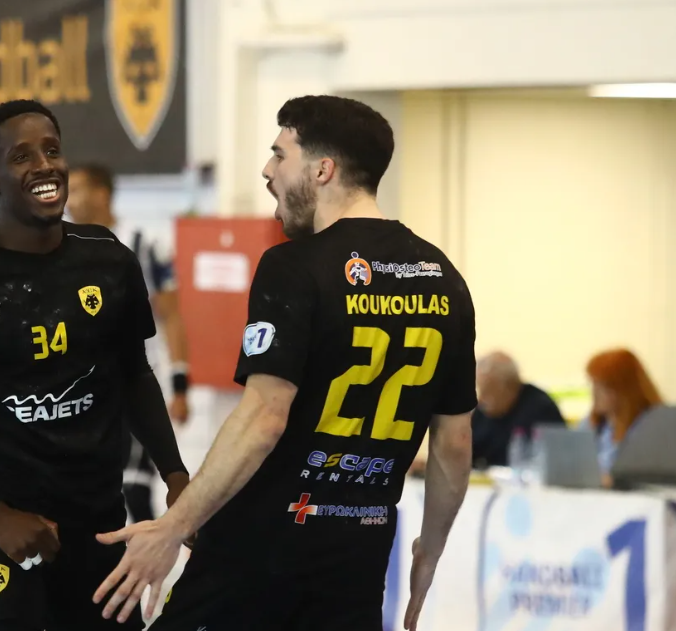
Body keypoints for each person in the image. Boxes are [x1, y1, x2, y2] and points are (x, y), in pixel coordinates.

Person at [92, 95, 477, 631]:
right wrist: (429, 550)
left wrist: (173, 526)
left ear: (322, 170)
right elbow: (453, 444)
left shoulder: (294, 266)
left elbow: (263, 418)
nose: (267, 171)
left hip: (259, 553)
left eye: (280, 154)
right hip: (357, 560)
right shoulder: (444, 277)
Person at [0, 99, 189, 631]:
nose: (44, 166)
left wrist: (176, 475)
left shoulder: (109, 260)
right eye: (21, 156)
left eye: (52, 150)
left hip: (97, 519)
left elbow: (134, 375)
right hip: (1, 530)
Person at [66, 163, 192, 524]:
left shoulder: (142, 244)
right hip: (83, 393)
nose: (68, 201)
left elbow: (172, 315)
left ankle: (158, 559)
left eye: (76, 190)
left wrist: (180, 385)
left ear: (102, 194)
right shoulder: (61, 248)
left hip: (133, 385)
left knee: (135, 492)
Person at [580, 348, 662, 487]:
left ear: (624, 388)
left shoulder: (651, 425)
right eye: (593, 384)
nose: (594, 392)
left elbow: (649, 476)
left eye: (603, 386)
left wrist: (613, 481)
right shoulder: (592, 422)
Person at [470, 351, 564, 469]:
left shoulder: (541, 409)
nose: (481, 399)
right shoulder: (484, 411)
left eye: (488, 391)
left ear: (509, 386)